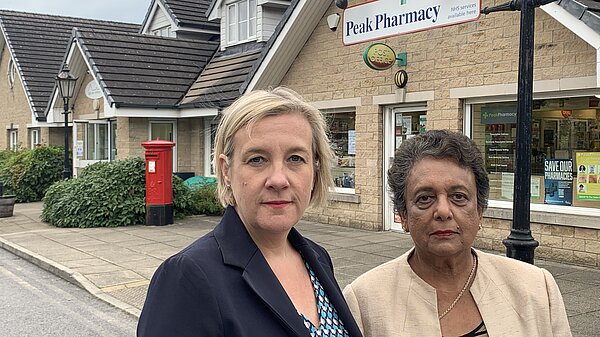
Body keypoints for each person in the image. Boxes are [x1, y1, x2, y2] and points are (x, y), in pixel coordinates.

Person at [138, 87, 363, 337]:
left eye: (296, 158)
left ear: (315, 169)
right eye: (257, 159)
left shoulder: (318, 258)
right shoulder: (187, 276)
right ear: (226, 170)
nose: (278, 180)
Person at [343, 130, 571, 337]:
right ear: (403, 215)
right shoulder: (364, 301)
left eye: (459, 196)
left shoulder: (538, 288)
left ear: (480, 210)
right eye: (425, 198)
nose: (443, 211)